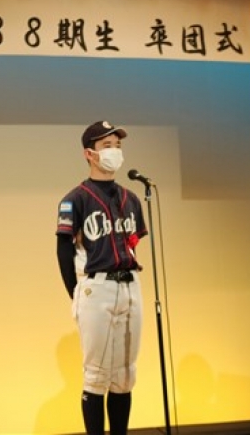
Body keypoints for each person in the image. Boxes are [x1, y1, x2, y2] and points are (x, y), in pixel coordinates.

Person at [56, 120, 148, 435]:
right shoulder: (75, 199)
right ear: (90, 154)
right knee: (96, 375)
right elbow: (63, 248)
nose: (114, 152)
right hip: (97, 286)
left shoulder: (131, 198)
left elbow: (133, 242)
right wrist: (77, 291)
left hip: (131, 284)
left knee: (125, 374)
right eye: (107, 146)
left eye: (117, 146)